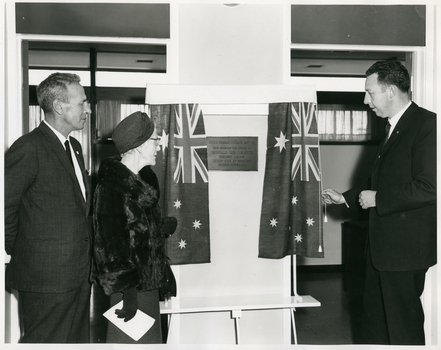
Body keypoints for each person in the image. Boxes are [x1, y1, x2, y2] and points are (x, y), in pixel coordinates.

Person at [322, 60, 436, 345]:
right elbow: (384, 183)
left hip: (404, 253)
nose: (365, 100)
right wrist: (346, 198)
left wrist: (379, 199)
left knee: (402, 330)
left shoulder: (428, 125)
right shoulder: (392, 127)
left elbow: (431, 186)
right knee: (376, 327)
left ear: (390, 91)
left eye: (369, 93)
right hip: (381, 251)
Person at [5, 73, 93, 343]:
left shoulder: (74, 146)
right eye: (82, 103)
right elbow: (4, 208)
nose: (88, 109)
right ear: (59, 107)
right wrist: (24, 250)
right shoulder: (28, 148)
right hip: (45, 279)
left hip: (77, 275)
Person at [93, 111, 176, 343]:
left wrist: (160, 227)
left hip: (147, 287)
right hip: (128, 291)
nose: (159, 146)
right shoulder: (112, 186)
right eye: (155, 140)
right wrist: (128, 294)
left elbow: (136, 232)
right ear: (138, 145)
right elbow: (109, 245)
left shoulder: (143, 180)